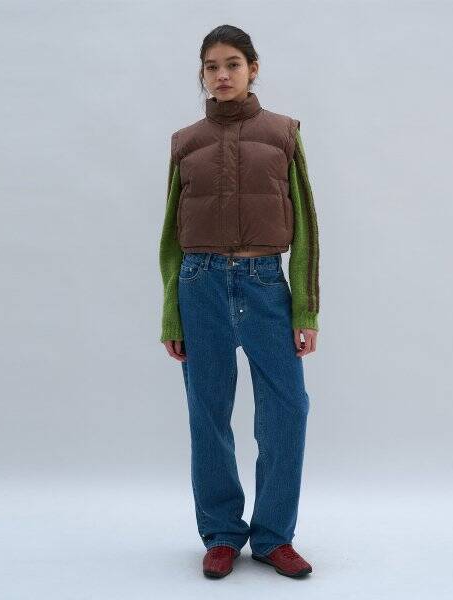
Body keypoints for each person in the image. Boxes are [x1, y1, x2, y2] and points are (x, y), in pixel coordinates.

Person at [159, 24, 320, 579]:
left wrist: (306, 309)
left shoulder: (283, 133)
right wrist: (171, 313)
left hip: (265, 283)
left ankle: (274, 536)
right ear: (202, 74)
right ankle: (222, 533)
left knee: (288, 408)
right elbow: (170, 236)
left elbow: (307, 227)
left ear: (253, 68)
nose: (222, 75)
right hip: (198, 284)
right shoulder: (185, 142)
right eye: (211, 66)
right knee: (208, 414)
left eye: (232, 64)